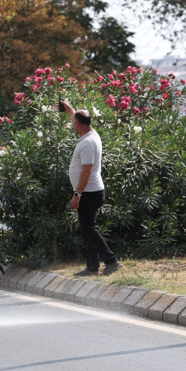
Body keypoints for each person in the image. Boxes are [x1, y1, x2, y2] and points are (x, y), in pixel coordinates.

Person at [59, 100, 122, 277]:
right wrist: (70, 110)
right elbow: (78, 120)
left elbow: (86, 171)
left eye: (74, 121)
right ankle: (92, 266)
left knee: (89, 229)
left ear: (77, 124)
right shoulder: (92, 134)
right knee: (87, 229)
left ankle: (111, 261)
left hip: (89, 192)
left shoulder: (87, 143)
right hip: (90, 191)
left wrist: (77, 194)